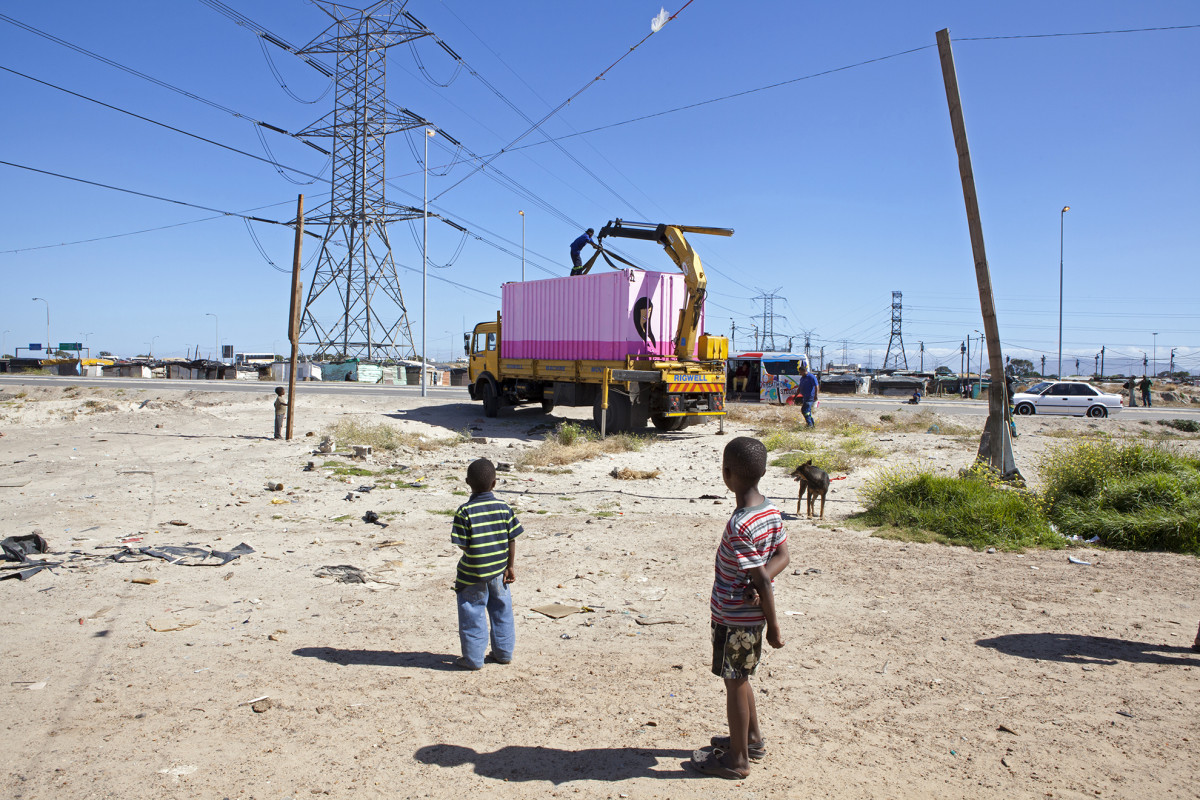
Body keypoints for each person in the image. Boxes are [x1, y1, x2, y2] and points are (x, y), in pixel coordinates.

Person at [689, 437, 789, 780]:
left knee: (734, 683)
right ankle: (751, 738)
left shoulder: (739, 525)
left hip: (735, 619)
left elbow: (761, 577)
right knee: (741, 678)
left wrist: (774, 626)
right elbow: (782, 557)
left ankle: (738, 759)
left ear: (726, 474)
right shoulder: (770, 510)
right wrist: (759, 588)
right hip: (749, 616)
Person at [451, 458, 523, 670]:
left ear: (467, 482)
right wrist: (510, 566)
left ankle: (473, 659)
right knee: (502, 612)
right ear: (494, 483)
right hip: (500, 572)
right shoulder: (504, 508)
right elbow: (512, 539)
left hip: (472, 575)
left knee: (472, 613)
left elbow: (463, 546)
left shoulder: (464, 512)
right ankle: (503, 653)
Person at [794, 363, 818, 427]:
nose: (800, 374)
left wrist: (816, 395)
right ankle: (812, 424)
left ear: (804, 371)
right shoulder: (802, 378)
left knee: (805, 410)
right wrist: (796, 395)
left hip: (810, 396)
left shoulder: (811, 377)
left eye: (801, 372)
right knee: (807, 411)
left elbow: (816, 386)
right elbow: (800, 387)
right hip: (805, 396)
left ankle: (809, 424)